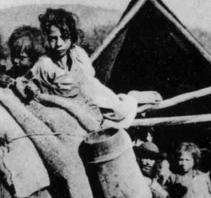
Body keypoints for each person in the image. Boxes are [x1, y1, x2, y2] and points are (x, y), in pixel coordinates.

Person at [22, 8, 160, 128]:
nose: (59, 43)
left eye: (64, 37)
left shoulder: (77, 53)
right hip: (73, 106)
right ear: (46, 38)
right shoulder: (44, 64)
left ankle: (132, 98)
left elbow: (89, 76)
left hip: (94, 94)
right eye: (53, 38)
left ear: (72, 36)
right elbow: (26, 81)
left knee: (120, 111)